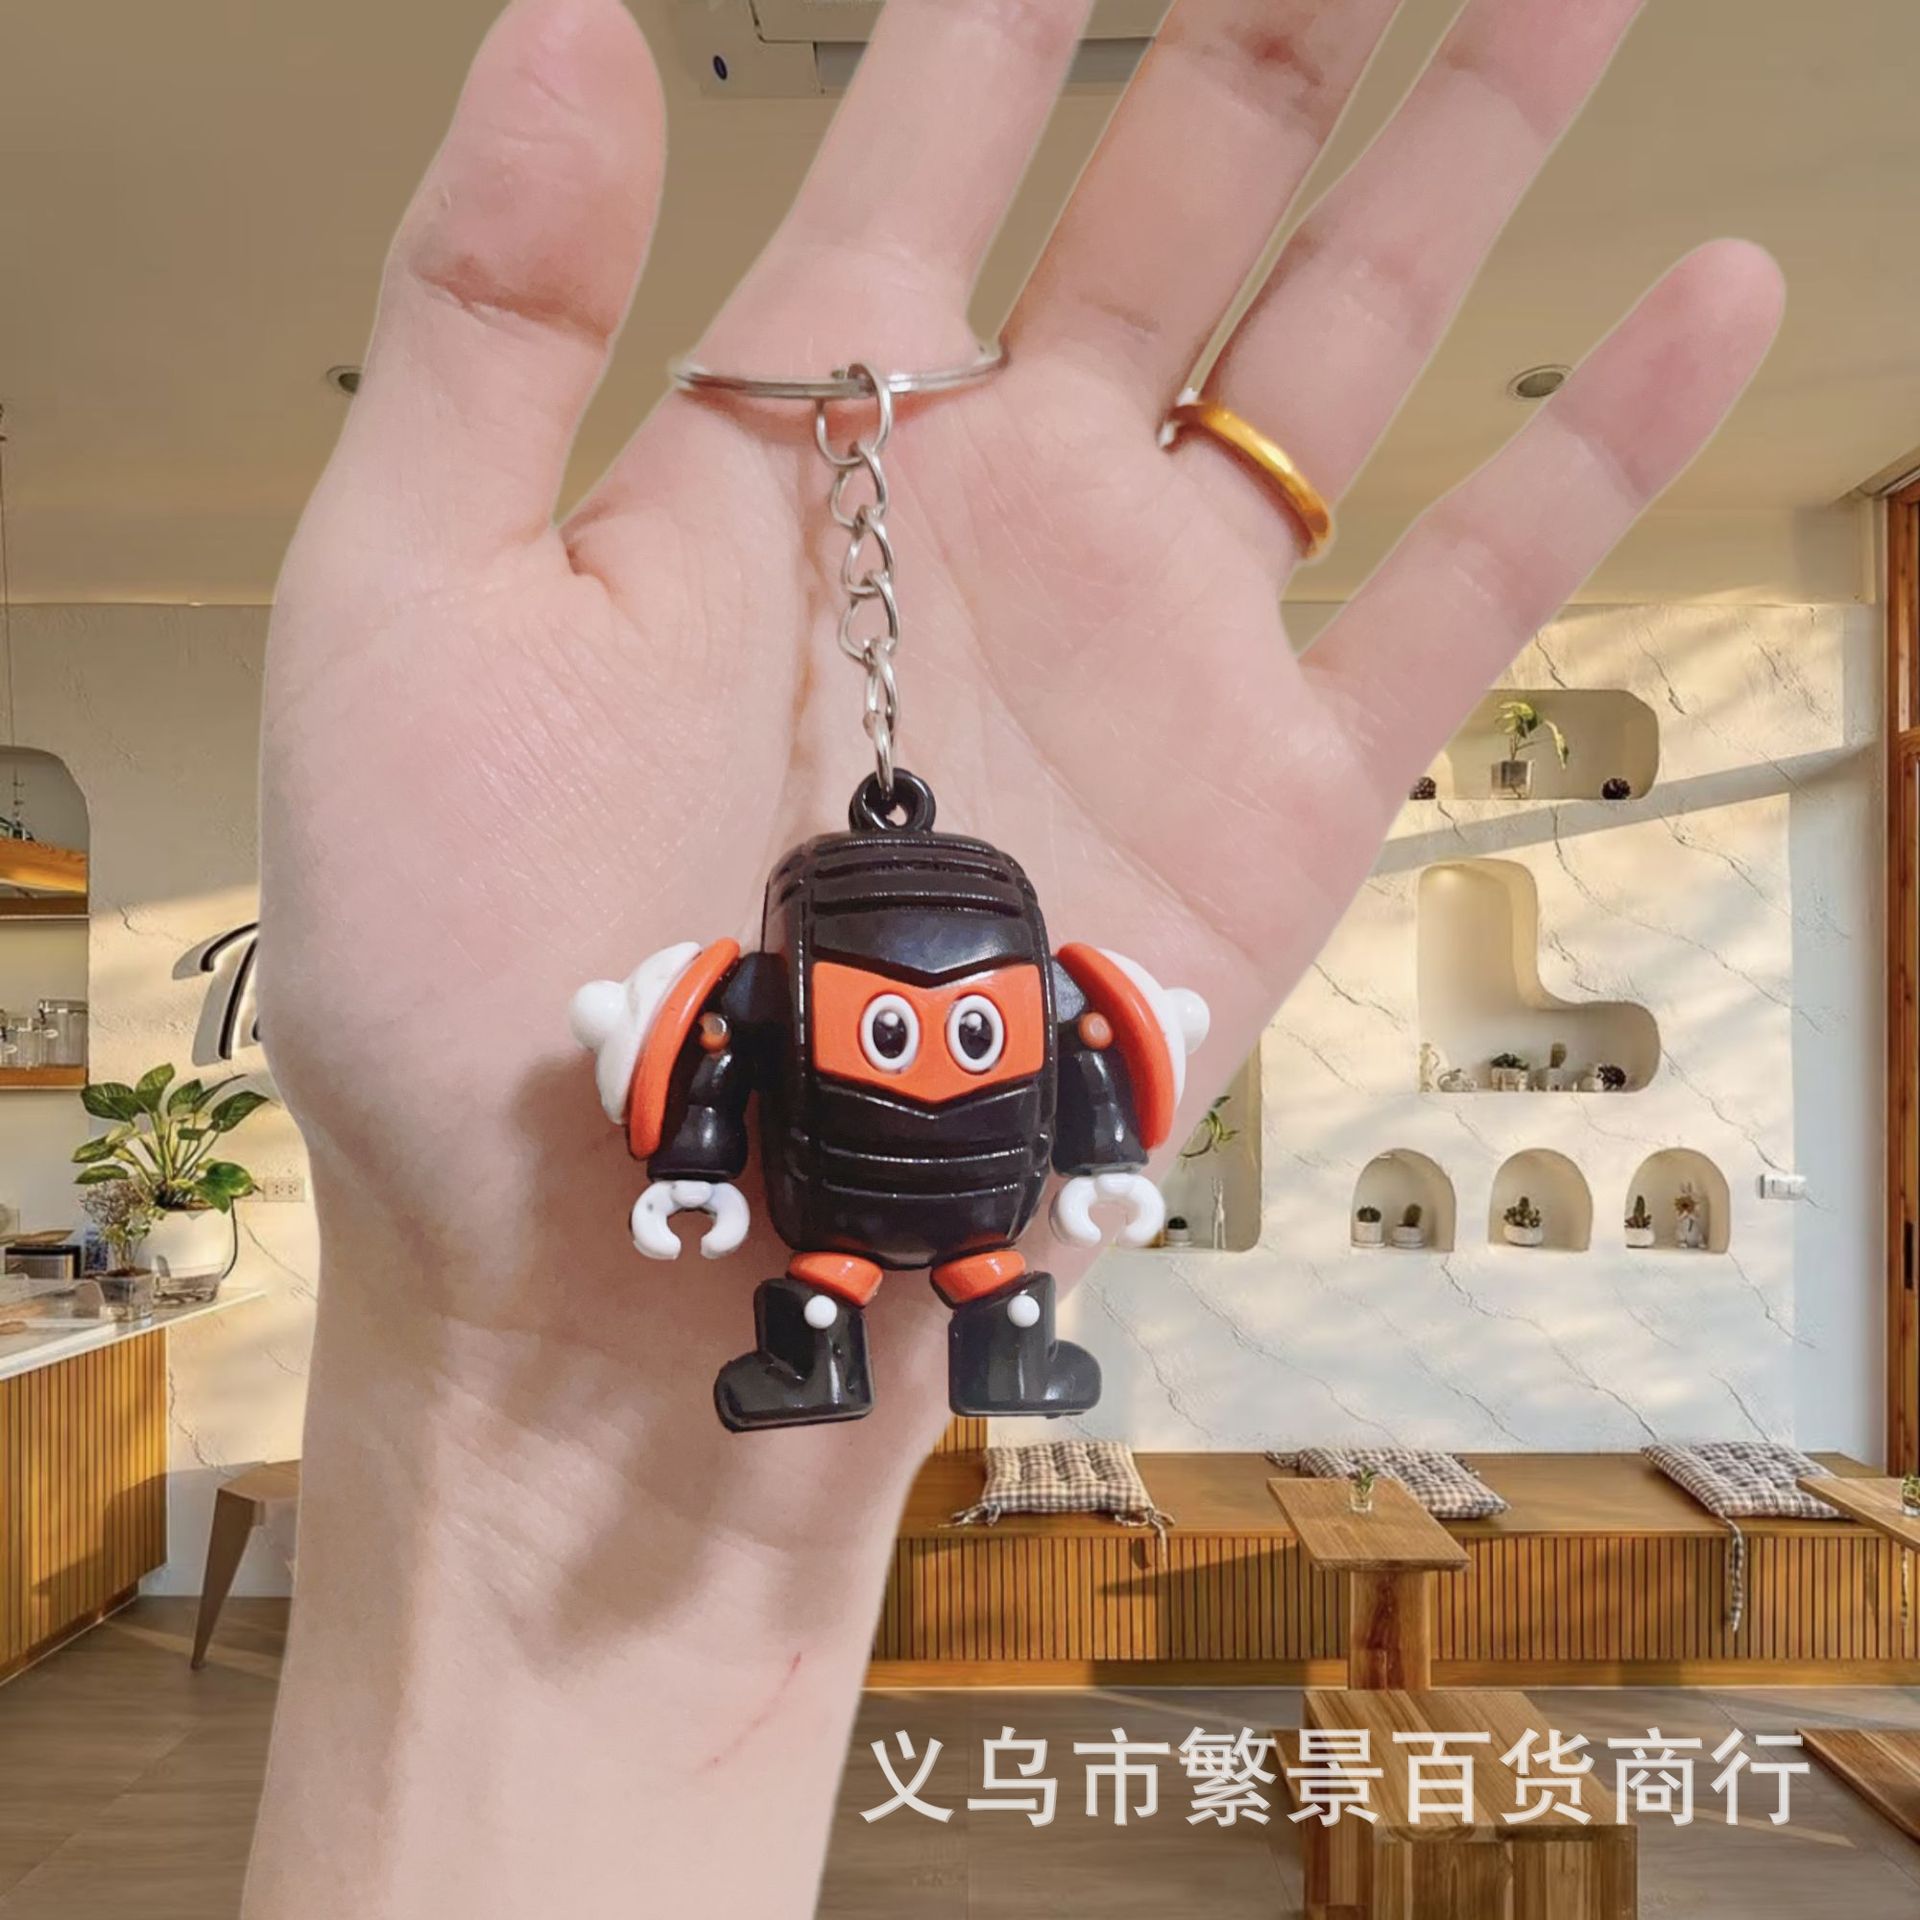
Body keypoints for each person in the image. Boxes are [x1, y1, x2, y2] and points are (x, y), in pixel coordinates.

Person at [244, 1, 1781, 1913]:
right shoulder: (775, 983)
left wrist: (1109, 1153)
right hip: (826, 1217)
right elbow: (715, 1044)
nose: (933, 1035)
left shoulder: (1035, 993)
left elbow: (1089, 1050)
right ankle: (847, 1351)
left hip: (970, 1216)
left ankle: (997, 1337)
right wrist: (687, 1171)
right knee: (833, 1281)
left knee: (966, 1276)